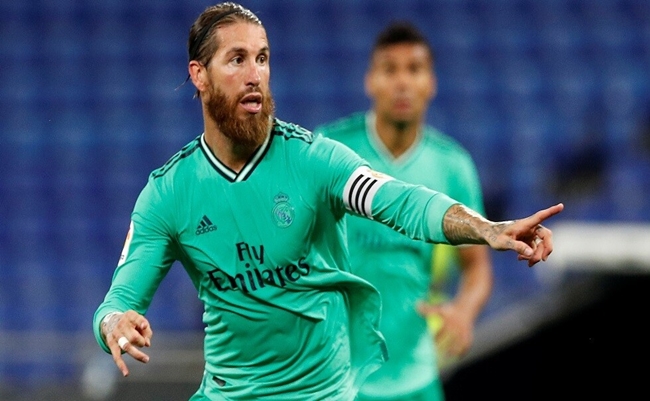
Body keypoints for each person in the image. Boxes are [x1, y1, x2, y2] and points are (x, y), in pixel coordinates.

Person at [92, 3, 563, 400]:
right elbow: (116, 302)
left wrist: (488, 229)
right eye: (237, 59)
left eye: (262, 58)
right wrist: (114, 324)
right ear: (199, 75)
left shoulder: (315, 161)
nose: (255, 75)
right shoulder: (168, 192)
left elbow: (403, 202)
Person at [314, 22, 493, 400]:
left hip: (417, 377)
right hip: (338, 378)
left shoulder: (452, 166)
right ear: (370, 81)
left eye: (414, 69)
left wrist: (464, 311)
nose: (402, 82)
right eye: (389, 69)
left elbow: (476, 267)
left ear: (431, 83)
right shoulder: (329, 150)